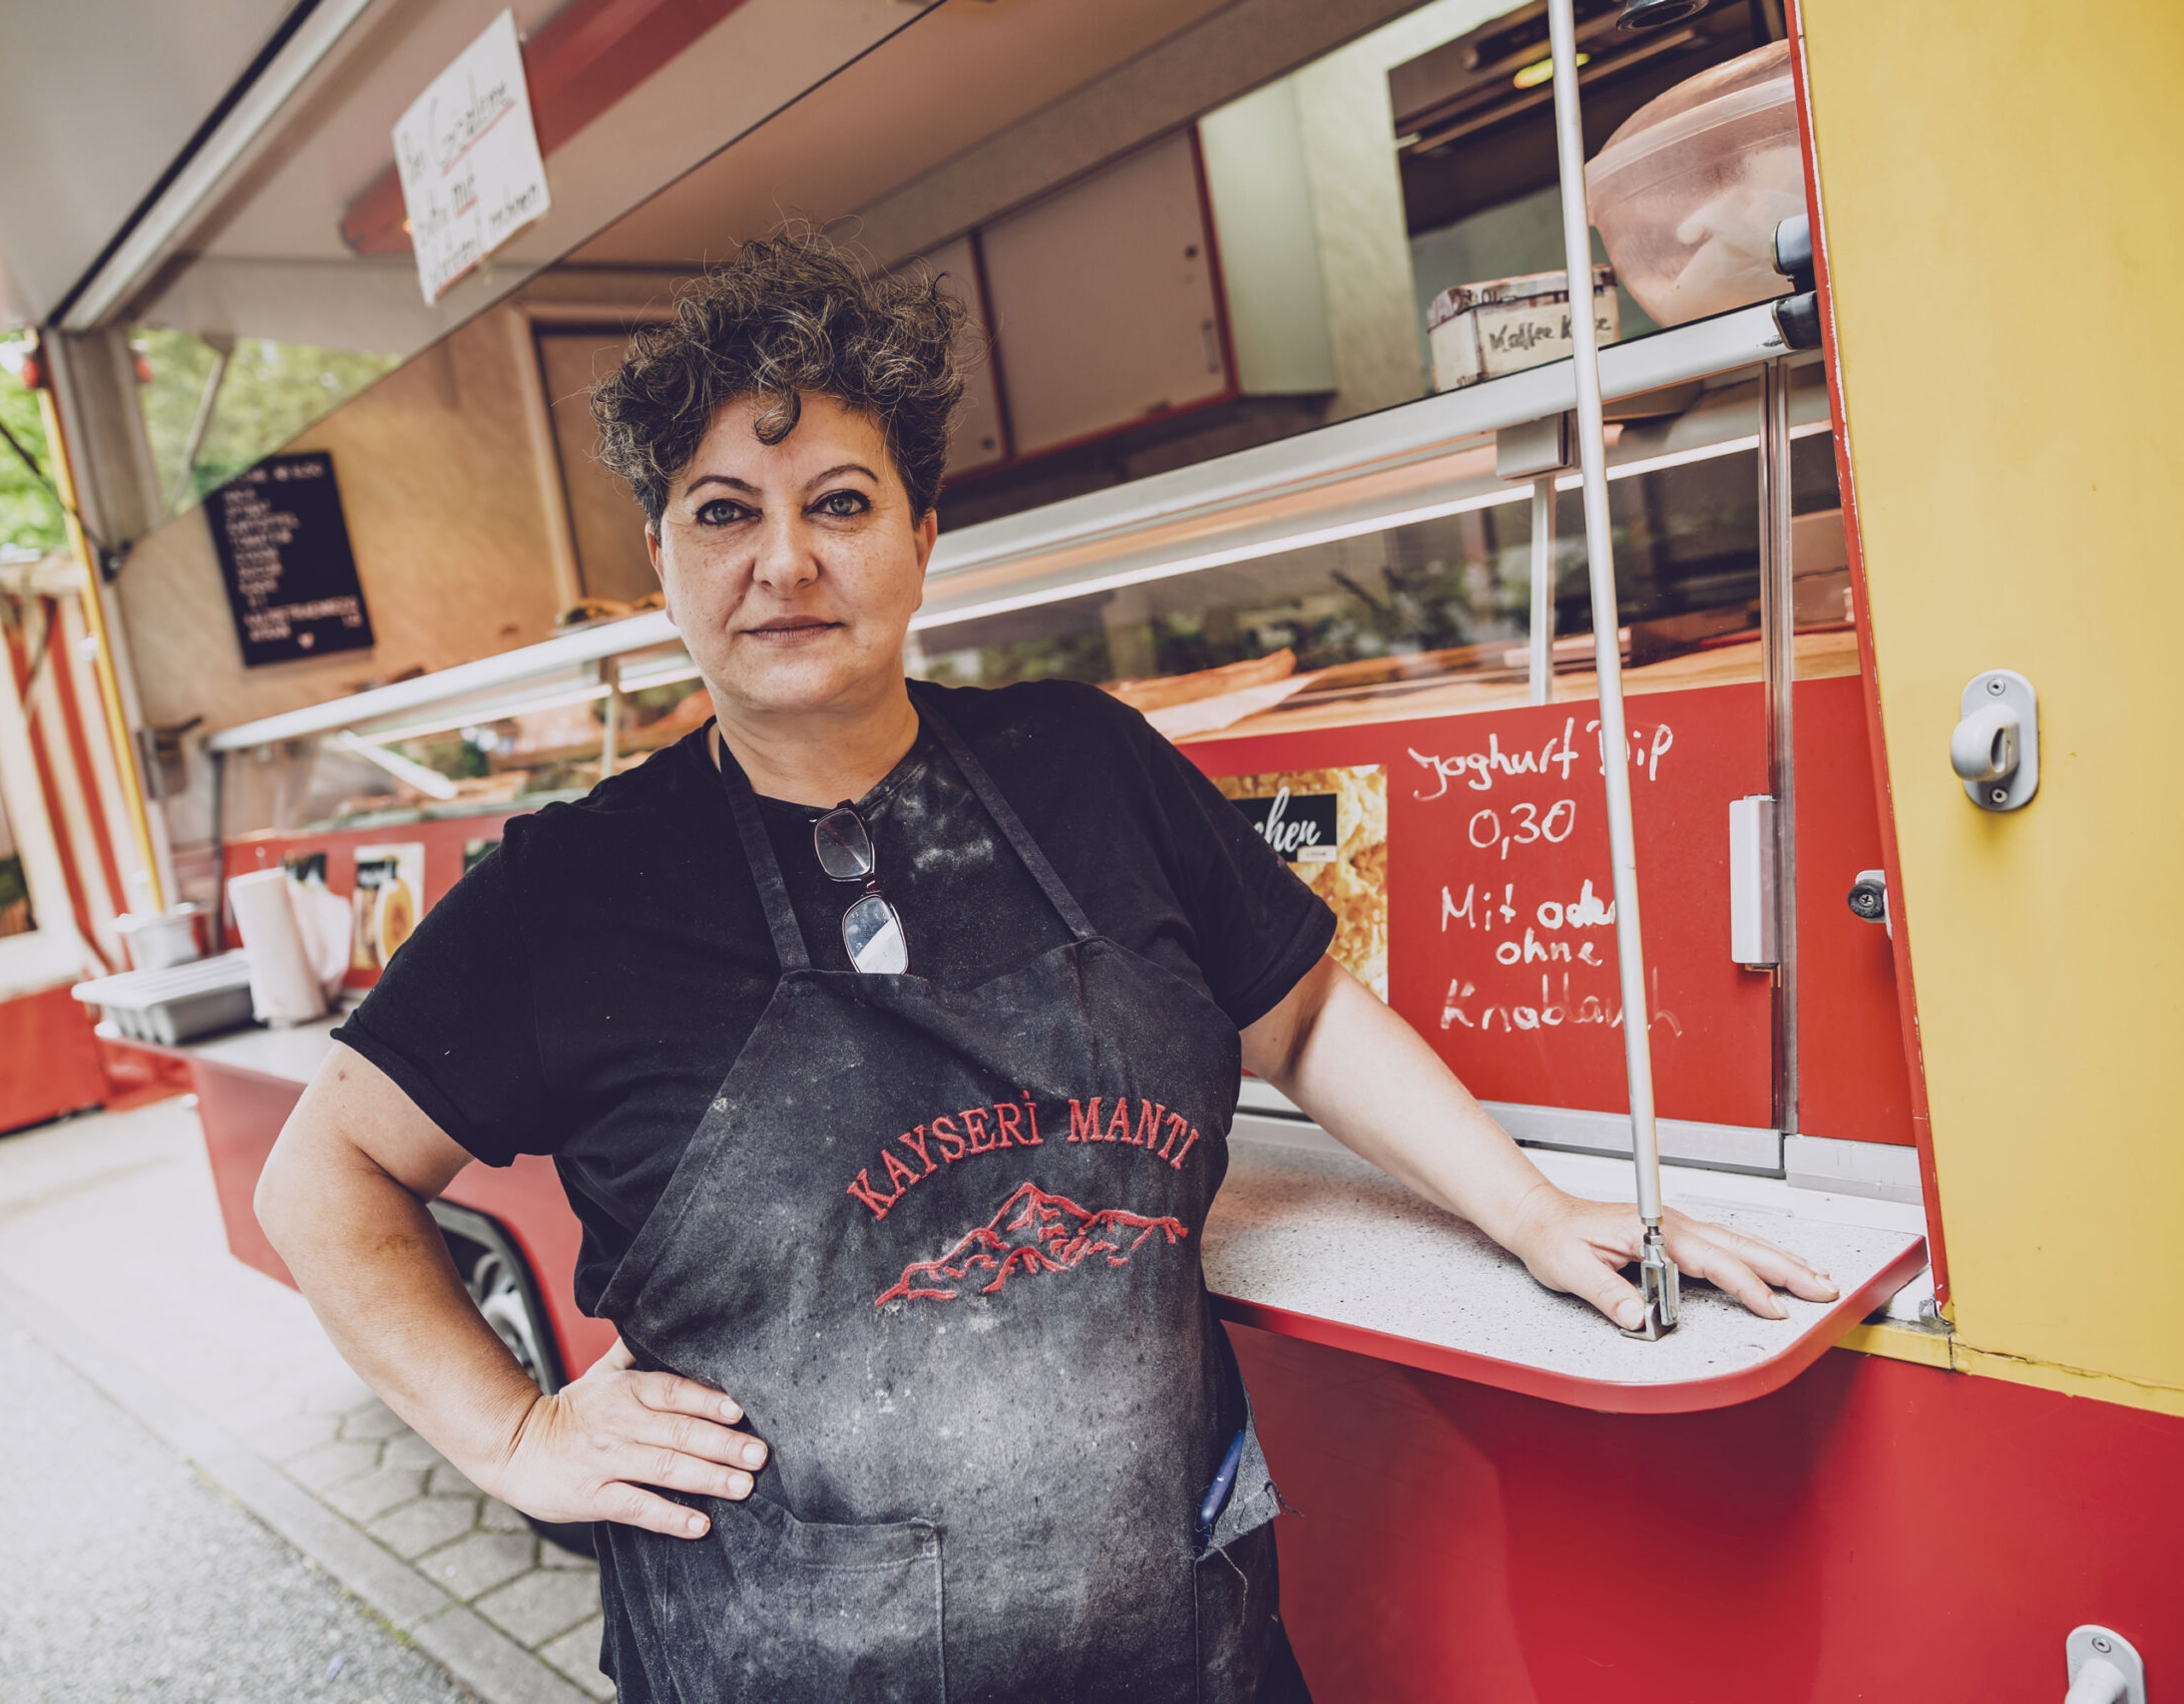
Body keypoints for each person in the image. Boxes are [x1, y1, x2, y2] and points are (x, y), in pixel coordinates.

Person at [254, 231, 1839, 1702]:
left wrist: (1532, 1208)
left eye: (842, 503)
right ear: (663, 561)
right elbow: (321, 1179)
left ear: (925, 540)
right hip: (789, 1658)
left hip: (1176, 1638)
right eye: (725, 511)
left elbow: (1298, 1014)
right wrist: (514, 1433)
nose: (784, 559)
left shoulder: (1087, 769)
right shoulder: (576, 889)